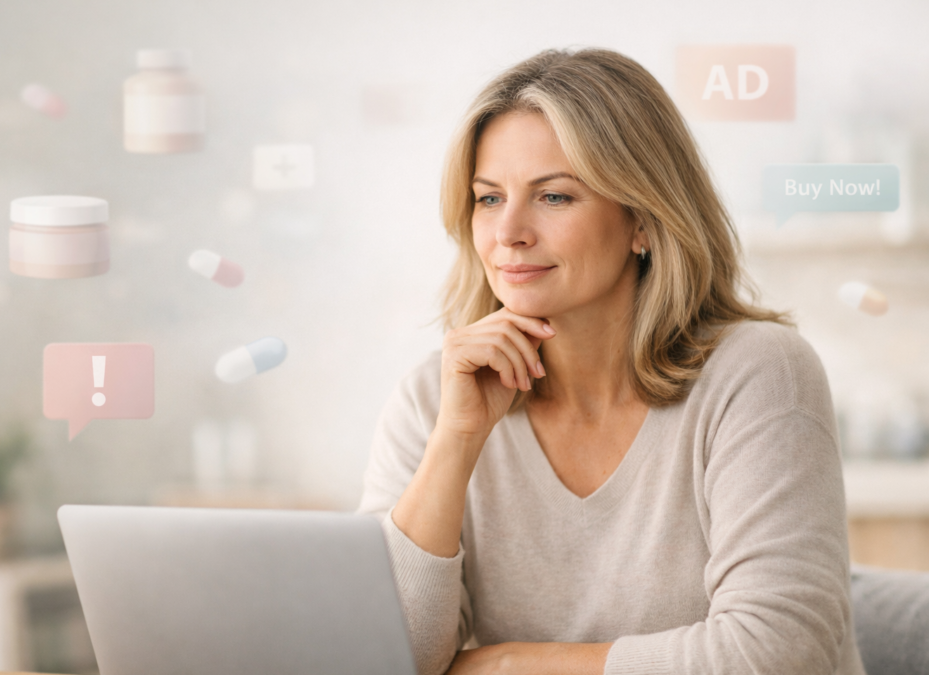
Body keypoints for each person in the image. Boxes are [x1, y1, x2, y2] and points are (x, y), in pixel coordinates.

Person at [358, 48, 866, 675]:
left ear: (644, 221)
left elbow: (777, 656)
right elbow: (385, 657)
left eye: (554, 197)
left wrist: (505, 666)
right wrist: (456, 442)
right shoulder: (434, 403)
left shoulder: (758, 374)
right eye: (488, 199)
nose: (508, 232)